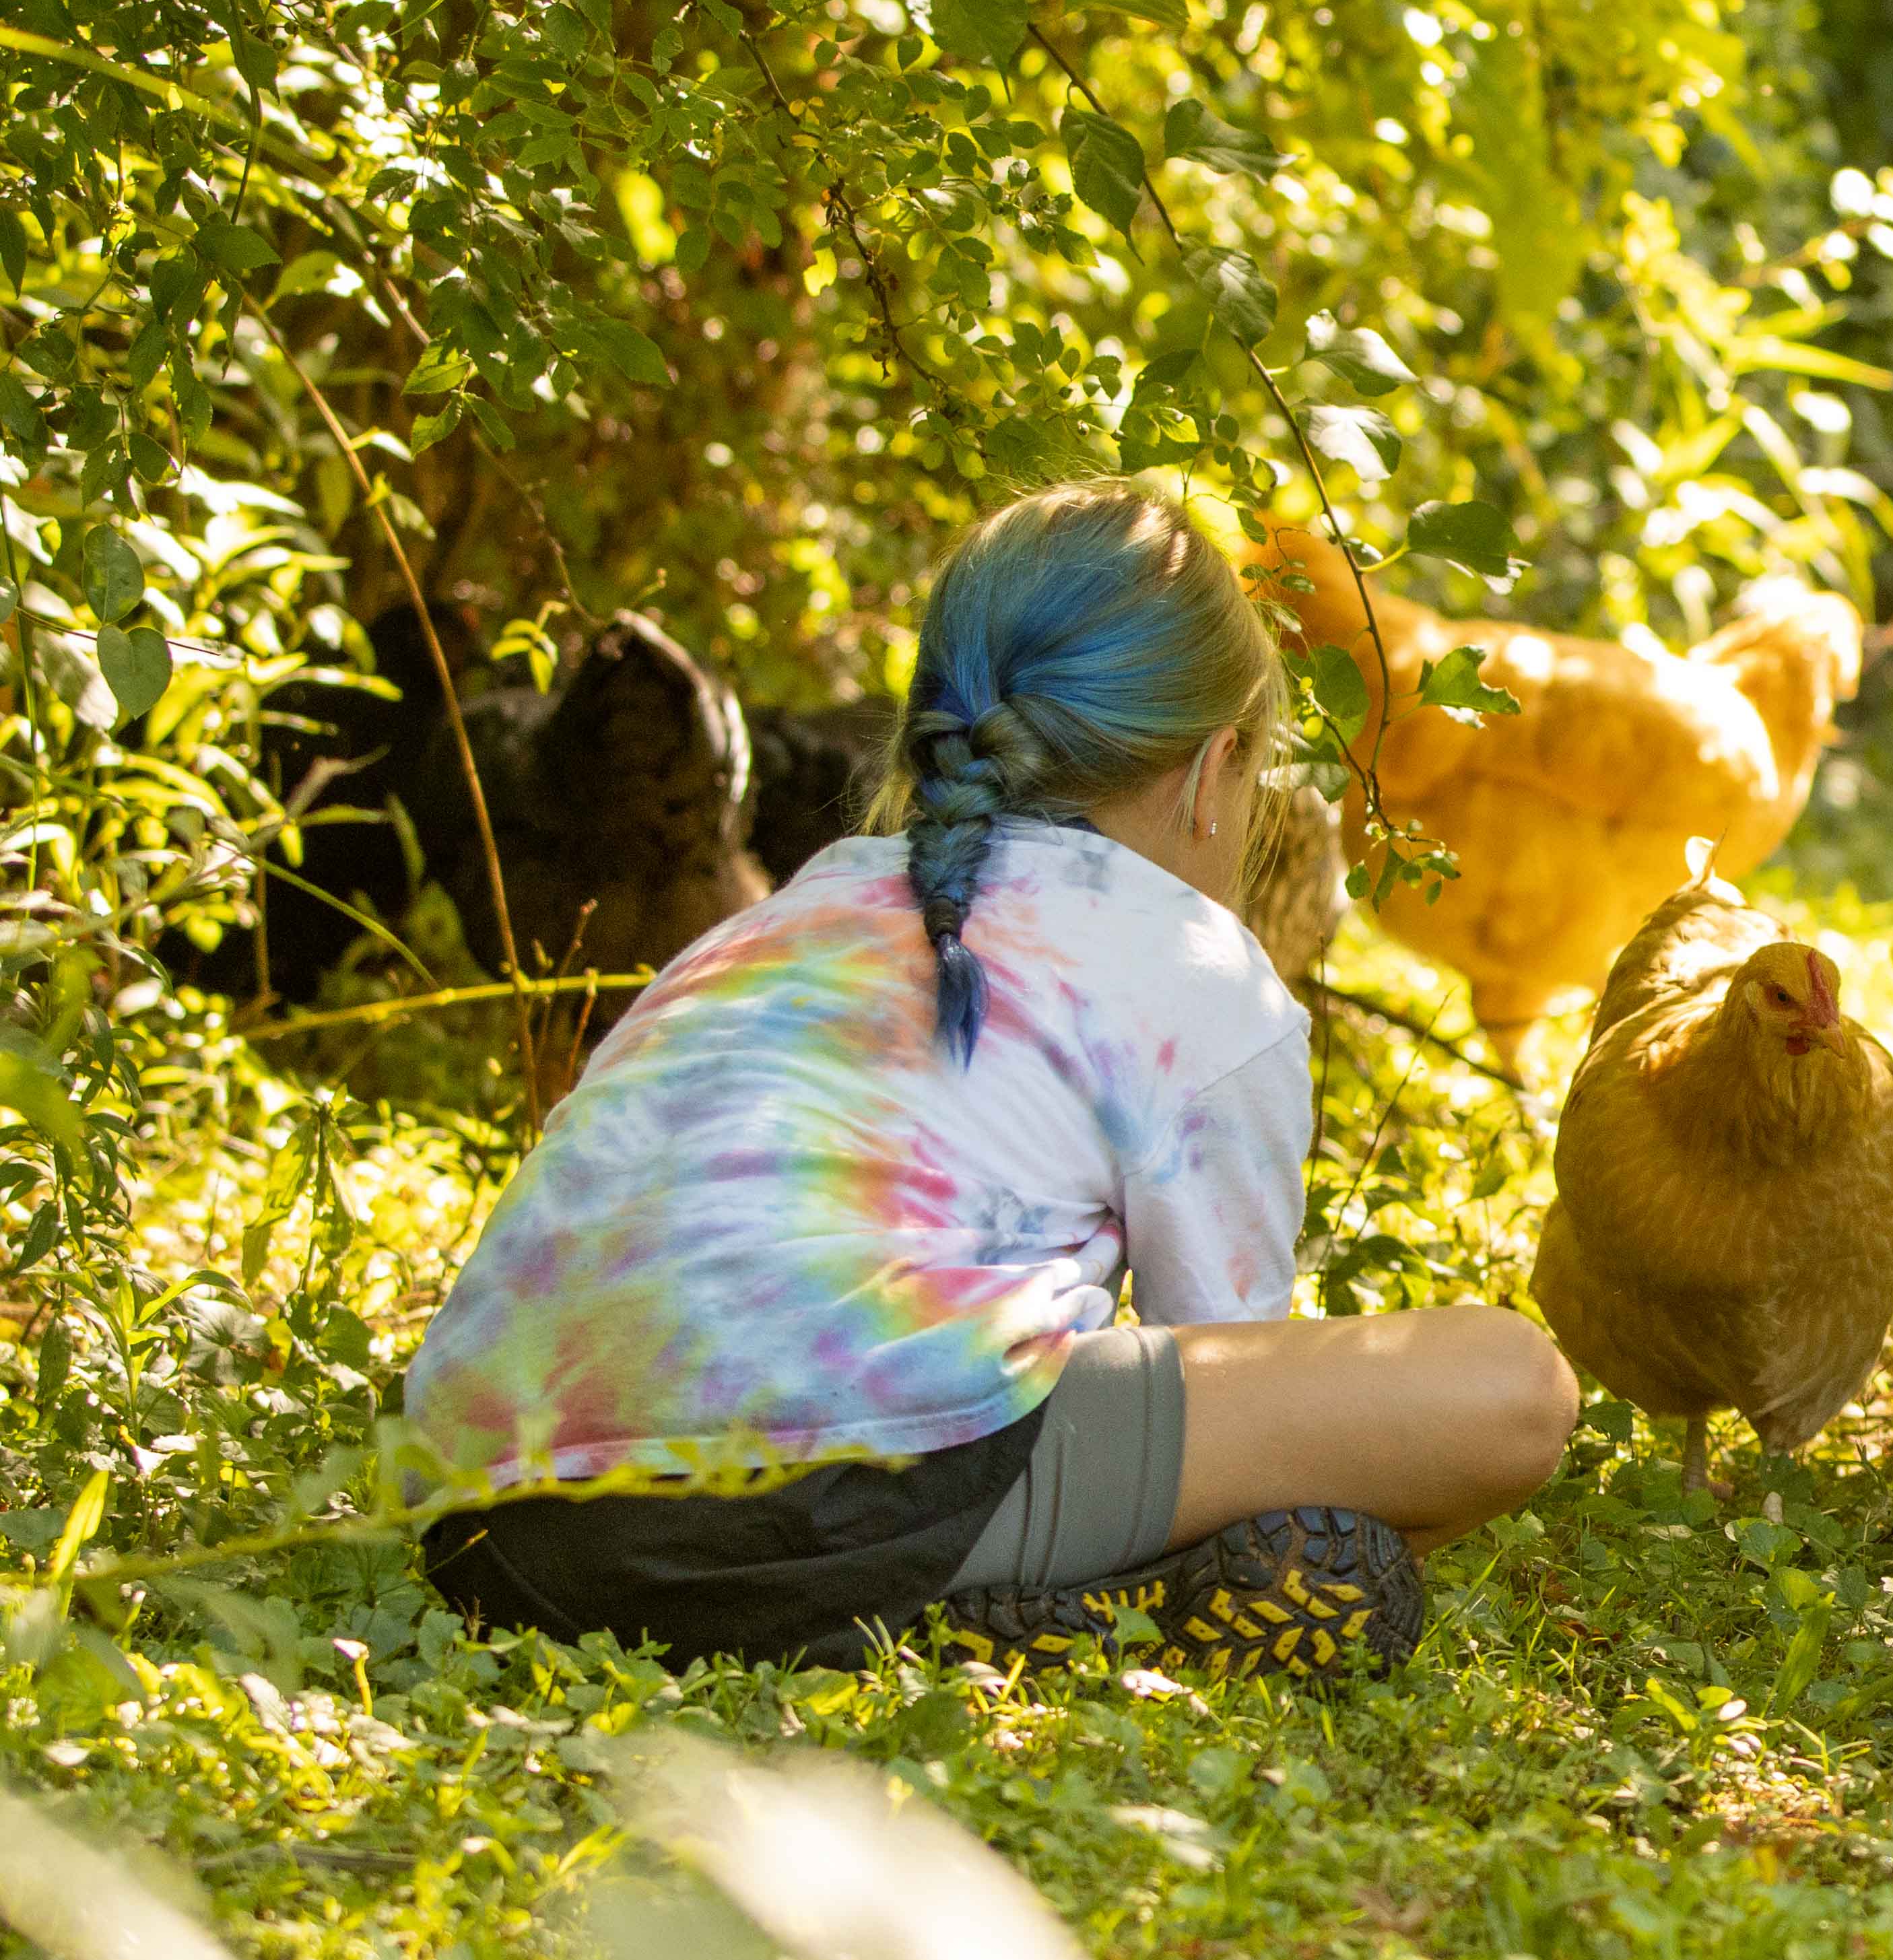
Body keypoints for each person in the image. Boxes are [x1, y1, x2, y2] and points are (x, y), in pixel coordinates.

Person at [407, 479, 1581, 1673]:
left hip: (494, 1527)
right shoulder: (1195, 968)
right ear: (1212, 767)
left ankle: (952, 1608)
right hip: (835, 1493)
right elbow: (1234, 1360)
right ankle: (1025, 1607)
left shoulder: (779, 917)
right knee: (1514, 1384)